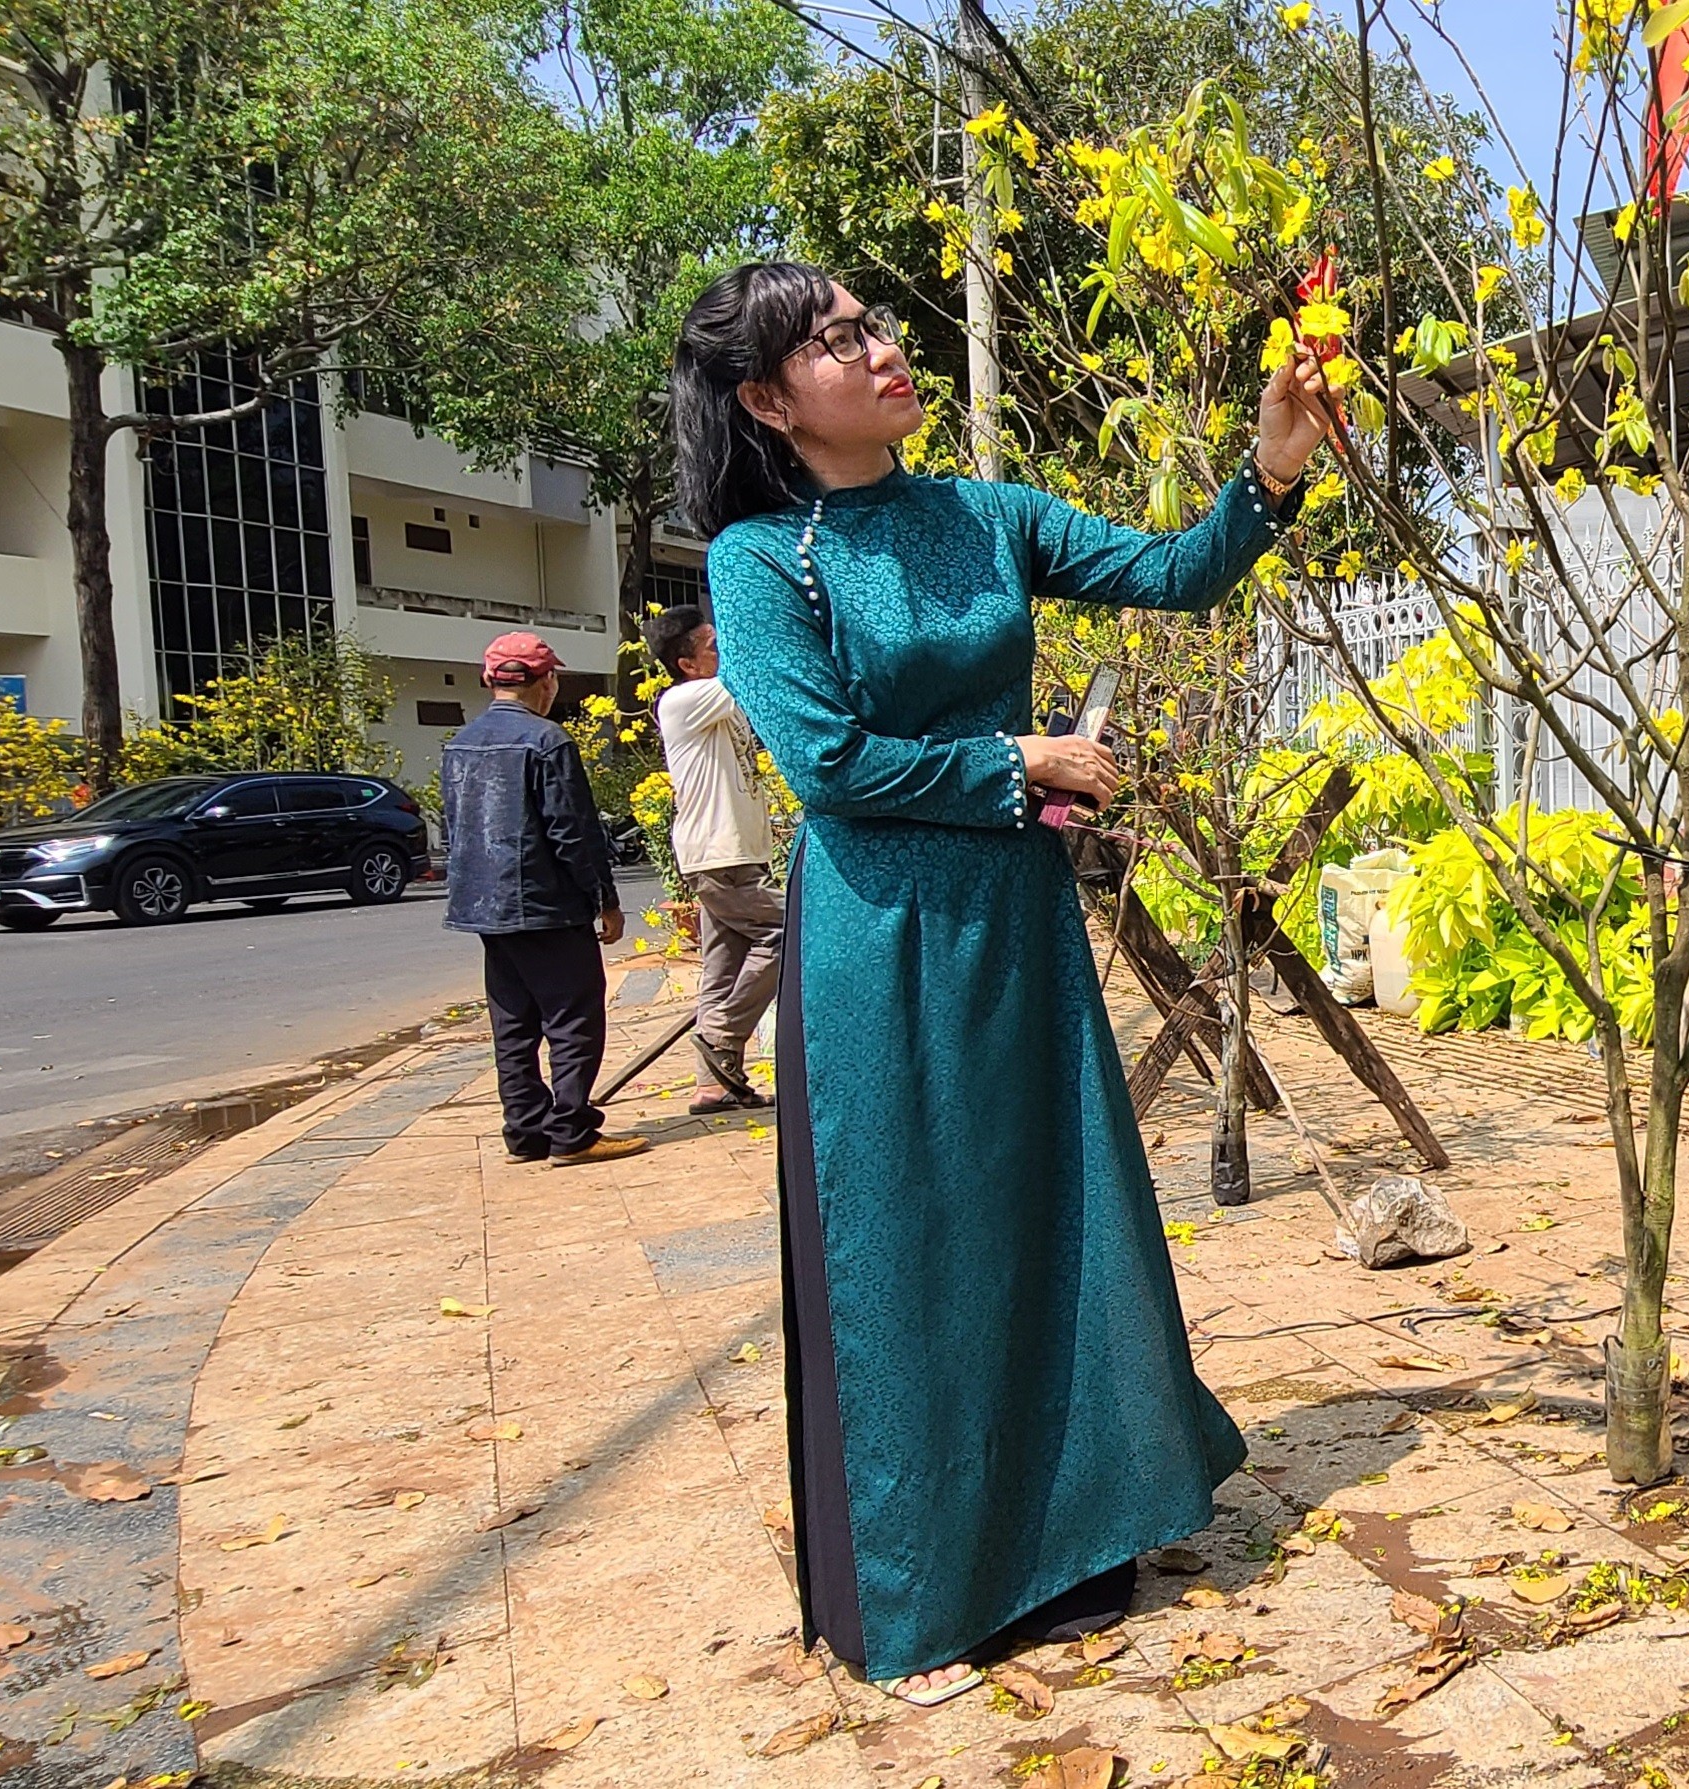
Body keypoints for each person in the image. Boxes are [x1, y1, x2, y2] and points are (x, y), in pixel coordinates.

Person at [670, 263, 1329, 1702]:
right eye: (834, 341)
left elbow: (1174, 572)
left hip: (1016, 922)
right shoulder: (757, 558)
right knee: (913, 1241)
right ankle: (935, 1580)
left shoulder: (985, 510)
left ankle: (1083, 1534)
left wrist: (1268, 475)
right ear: (769, 401)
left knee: (1051, 1204)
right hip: (883, 939)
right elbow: (831, 767)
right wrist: (1016, 761)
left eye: (872, 323)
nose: (880, 346)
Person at [439, 632, 648, 1169]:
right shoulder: (547, 741)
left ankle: (525, 1131)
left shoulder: (460, 744)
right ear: (546, 682)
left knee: (513, 1023)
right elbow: (572, 831)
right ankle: (572, 1130)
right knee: (573, 1018)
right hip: (545, 903)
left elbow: (457, 829)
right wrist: (604, 898)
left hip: (484, 907)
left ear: (489, 680)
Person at [646, 604, 782, 1115]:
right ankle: (722, 1034)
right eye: (712, 646)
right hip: (720, 855)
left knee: (720, 971)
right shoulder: (684, 700)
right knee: (785, 932)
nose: (723, 653)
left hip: (736, 855)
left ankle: (714, 1085)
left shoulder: (716, 701)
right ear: (686, 663)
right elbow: (754, 667)